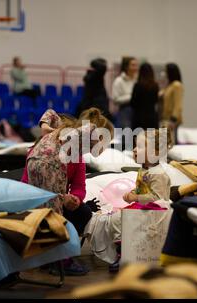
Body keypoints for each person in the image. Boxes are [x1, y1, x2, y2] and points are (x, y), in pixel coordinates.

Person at [23, 108, 114, 275]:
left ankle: (51, 257)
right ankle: (59, 260)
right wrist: (46, 128)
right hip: (48, 167)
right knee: (54, 214)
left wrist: (75, 199)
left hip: (41, 165)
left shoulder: (71, 144)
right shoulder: (79, 133)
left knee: (62, 211)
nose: (105, 148)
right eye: (105, 142)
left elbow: (79, 187)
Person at [109, 128, 172, 272]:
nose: (135, 150)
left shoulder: (158, 174)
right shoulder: (143, 171)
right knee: (116, 217)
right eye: (135, 146)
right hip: (142, 209)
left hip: (155, 214)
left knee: (120, 219)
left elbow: (158, 199)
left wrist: (136, 197)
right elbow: (141, 190)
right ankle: (123, 251)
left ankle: (125, 253)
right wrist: (132, 193)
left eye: (141, 146)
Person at [159, 63, 183, 145]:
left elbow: (178, 104)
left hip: (172, 119)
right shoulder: (169, 85)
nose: (164, 73)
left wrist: (173, 120)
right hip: (166, 119)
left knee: (171, 143)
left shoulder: (177, 85)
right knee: (165, 143)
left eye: (166, 71)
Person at [131, 63, 159, 130]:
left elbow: (133, 102)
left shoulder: (137, 85)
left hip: (139, 118)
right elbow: (156, 100)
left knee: (139, 139)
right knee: (152, 139)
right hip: (152, 117)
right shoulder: (155, 86)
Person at [112, 56, 139, 129]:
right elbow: (115, 99)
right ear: (126, 67)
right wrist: (132, 97)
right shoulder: (119, 81)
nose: (136, 68)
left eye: (136, 65)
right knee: (126, 137)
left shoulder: (137, 80)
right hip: (124, 112)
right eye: (133, 65)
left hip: (137, 112)